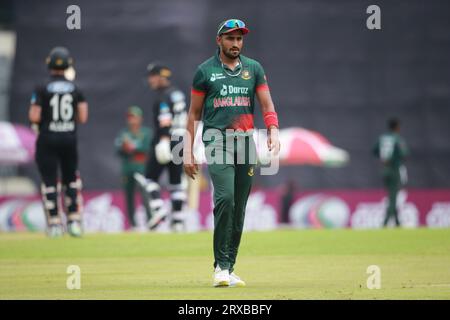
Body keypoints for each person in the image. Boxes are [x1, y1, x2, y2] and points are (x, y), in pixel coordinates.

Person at [183, 19, 281, 287]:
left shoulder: (254, 69)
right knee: (225, 199)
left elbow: (266, 102)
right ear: (219, 41)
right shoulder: (205, 71)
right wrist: (187, 152)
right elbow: (193, 113)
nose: (236, 44)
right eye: (230, 38)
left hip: (246, 142)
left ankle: (229, 266)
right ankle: (220, 267)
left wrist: (272, 128)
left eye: (239, 39)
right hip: (217, 141)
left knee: (239, 209)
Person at [28, 46, 88, 237]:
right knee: (71, 181)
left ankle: (54, 224)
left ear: (49, 64)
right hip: (69, 139)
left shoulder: (41, 87)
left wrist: (48, 120)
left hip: (47, 138)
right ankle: (74, 222)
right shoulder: (76, 87)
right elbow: (83, 116)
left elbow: (34, 116)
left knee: (49, 181)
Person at [134, 62, 188, 232]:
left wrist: (164, 139)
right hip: (180, 139)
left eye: (152, 77)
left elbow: (165, 118)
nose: (150, 81)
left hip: (167, 139)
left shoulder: (162, 97)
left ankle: (159, 209)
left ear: (159, 77)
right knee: (176, 183)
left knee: (149, 178)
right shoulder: (178, 94)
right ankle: (178, 222)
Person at [115, 106, 152, 229]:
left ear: (140, 118)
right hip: (127, 169)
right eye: (130, 117)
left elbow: (147, 149)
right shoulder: (124, 133)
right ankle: (133, 224)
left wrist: (132, 148)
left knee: (145, 194)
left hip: (142, 169)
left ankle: (150, 220)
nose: (132, 120)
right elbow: (118, 150)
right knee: (129, 196)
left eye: (134, 117)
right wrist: (125, 148)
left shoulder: (146, 132)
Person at [373, 118, 408, 227]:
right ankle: (385, 222)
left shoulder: (382, 138)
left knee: (392, 196)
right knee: (393, 197)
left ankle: (397, 222)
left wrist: (383, 158)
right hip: (394, 169)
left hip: (385, 169)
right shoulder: (397, 138)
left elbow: (374, 151)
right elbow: (404, 153)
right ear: (397, 127)